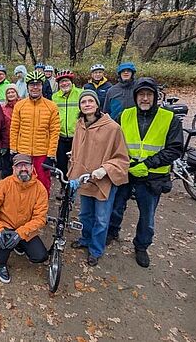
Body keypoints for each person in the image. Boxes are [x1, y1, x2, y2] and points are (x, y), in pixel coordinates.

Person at [106, 77, 183, 268]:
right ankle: (112, 231)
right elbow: (114, 140)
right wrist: (128, 162)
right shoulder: (125, 115)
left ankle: (141, 246)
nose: (145, 99)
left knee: (147, 214)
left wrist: (148, 164)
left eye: (149, 95)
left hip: (153, 176)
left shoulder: (169, 118)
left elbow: (175, 149)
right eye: (141, 95)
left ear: (155, 97)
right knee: (117, 205)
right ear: (136, 97)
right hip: (127, 171)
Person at [68, 90, 129, 266]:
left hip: (103, 181)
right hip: (84, 178)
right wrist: (75, 155)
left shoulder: (112, 128)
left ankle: (96, 250)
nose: (86, 104)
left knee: (101, 219)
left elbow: (122, 158)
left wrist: (105, 169)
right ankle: (86, 239)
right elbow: (83, 147)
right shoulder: (80, 124)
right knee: (85, 214)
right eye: (83, 102)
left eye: (90, 101)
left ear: (97, 104)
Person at [0, 153, 49, 284]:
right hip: (5, 225)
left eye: (26, 165)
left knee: (40, 256)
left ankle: (19, 244)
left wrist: (20, 234)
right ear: (14, 169)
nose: (23, 168)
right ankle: (0, 264)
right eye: (19, 166)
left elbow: (40, 218)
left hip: (26, 228)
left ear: (32, 168)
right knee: (4, 246)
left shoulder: (40, 189)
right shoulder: (4, 184)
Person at [10, 71, 60, 194]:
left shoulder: (51, 106)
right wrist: (13, 150)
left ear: (42, 86)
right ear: (27, 87)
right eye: (32, 84)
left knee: (43, 183)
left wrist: (51, 154)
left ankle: (41, 210)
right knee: (21, 182)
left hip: (42, 152)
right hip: (23, 151)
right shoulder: (19, 105)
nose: (35, 87)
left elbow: (54, 132)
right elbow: (14, 128)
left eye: (38, 84)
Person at [52, 70, 83, 181]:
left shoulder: (80, 93)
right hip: (60, 136)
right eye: (61, 82)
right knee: (61, 164)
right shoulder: (54, 97)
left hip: (77, 136)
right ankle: (64, 186)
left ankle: (75, 185)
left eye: (66, 81)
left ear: (71, 81)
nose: (64, 84)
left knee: (77, 163)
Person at [0, 84, 21, 178]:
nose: (11, 94)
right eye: (8, 92)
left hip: (20, 142)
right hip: (6, 142)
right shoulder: (3, 108)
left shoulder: (23, 105)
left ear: (17, 93)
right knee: (6, 169)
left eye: (13, 92)